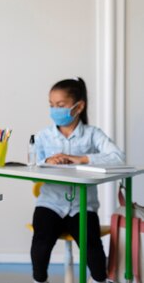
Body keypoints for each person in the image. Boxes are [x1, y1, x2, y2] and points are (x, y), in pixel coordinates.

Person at [31, 77, 124, 283]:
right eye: (51, 105)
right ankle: (39, 279)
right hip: (50, 202)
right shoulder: (43, 136)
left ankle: (101, 279)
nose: (55, 110)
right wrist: (47, 160)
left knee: (92, 246)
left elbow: (118, 157)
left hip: (83, 205)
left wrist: (82, 159)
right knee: (40, 243)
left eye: (60, 105)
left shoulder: (92, 134)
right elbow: (31, 163)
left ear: (79, 106)